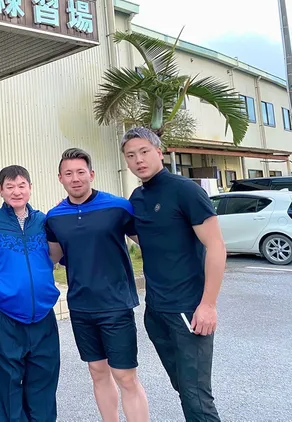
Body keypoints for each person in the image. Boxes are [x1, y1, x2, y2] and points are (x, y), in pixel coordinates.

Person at [121, 127, 226, 422]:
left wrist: (208, 305)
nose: (138, 160)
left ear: (159, 152)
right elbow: (145, 237)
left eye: (144, 151)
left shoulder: (185, 190)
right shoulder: (138, 197)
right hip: (156, 312)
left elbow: (216, 246)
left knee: (196, 396)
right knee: (183, 388)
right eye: (131, 155)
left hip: (188, 310)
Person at [45, 148, 149, 422]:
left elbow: (150, 244)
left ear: (91, 174)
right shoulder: (54, 217)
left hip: (116, 305)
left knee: (125, 376)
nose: (75, 178)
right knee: (97, 372)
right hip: (80, 307)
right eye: (69, 173)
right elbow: (51, 258)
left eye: (81, 172)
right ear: (60, 178)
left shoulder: (118, 207)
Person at [0, 165, 61, 422]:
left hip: (43, 314)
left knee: (44, 382)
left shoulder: (44, 221)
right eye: (10, 186)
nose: (16, 192)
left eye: (21, 185)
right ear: (0, 190)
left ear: (30, 187)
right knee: (8, 384)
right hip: (6, 315)